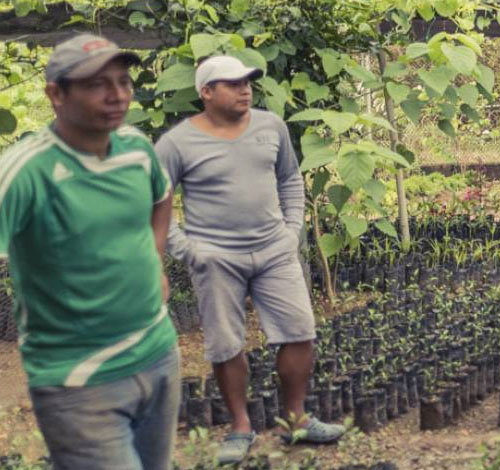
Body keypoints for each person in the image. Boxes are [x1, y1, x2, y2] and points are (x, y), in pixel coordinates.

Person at [155, 55, 345, 465]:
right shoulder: (176, 144)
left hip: (274, 250)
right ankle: (241, 427)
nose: (245, 89)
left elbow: (290, 178)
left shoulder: (270, 126)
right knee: (226, 344)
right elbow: (156, 201)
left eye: (248, 82)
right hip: (216, 257)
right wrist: (188, 250)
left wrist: (291, 230)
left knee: (299, 330)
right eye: (233, 83)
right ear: (206, 92)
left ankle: (295, 420)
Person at [0, 34, 178, 470]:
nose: (117, 95)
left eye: (123, 81)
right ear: (55, 94)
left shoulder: (136, 149)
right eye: (98, 84)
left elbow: (162, 195)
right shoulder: (27, 171)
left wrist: (156, 261)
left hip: (158, 354)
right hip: (80, 379)